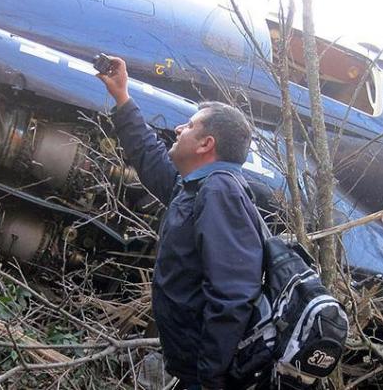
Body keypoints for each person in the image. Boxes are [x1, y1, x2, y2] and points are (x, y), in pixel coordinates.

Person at [97, 57, 264, 390]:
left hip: (203, 379)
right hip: (188, 369)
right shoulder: (197, 186)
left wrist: (208, 377)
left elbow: (233, 296)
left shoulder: (220, 192)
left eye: (189, 126)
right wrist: (122, 98)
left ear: (206, 144)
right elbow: (151, 158)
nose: (178, 129)